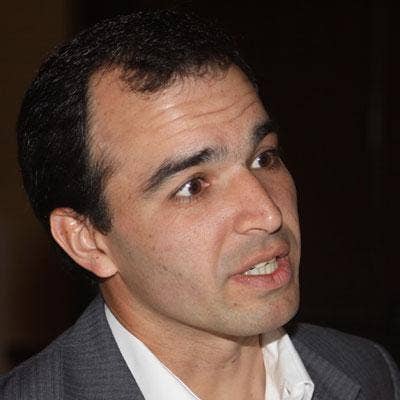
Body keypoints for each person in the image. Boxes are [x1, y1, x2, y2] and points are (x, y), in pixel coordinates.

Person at [1, 9, 399, 400]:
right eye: (193, 186)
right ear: (87, 240)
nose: (268, 213)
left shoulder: (369, 372)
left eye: (263, 158)